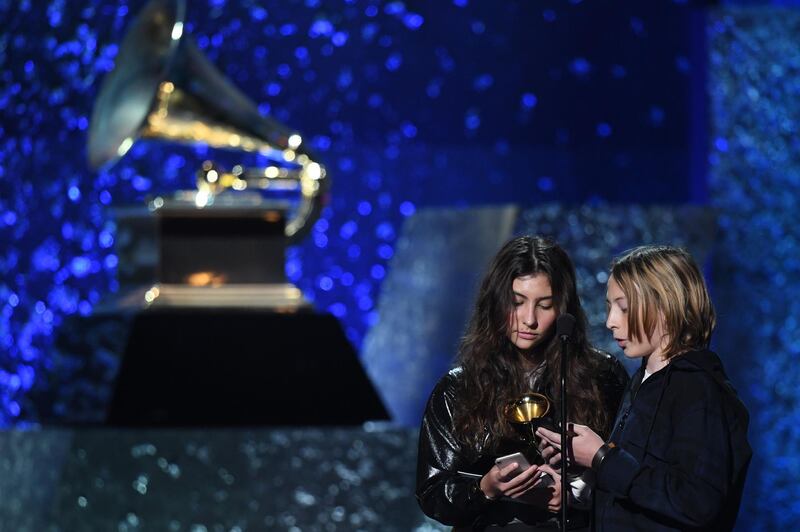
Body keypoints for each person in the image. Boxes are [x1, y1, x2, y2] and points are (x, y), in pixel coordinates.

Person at [416, 235, 629, 531]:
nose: (529, 319)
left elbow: (633, 478)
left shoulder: (603, 375)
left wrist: (579, 493)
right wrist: (485, 489)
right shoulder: (458, 388)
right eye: (517, 302)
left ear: (563, 308)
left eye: (544, 305)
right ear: (495, 303)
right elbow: (432, 491)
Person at [537, 245, 752, 531]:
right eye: (609, 307)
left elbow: (698, 502)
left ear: (665, 306)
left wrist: (602, 457)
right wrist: (582, 471)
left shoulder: (699, 390)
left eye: (624, 308)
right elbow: (639, 490)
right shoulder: (642, 382)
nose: (611, 321)